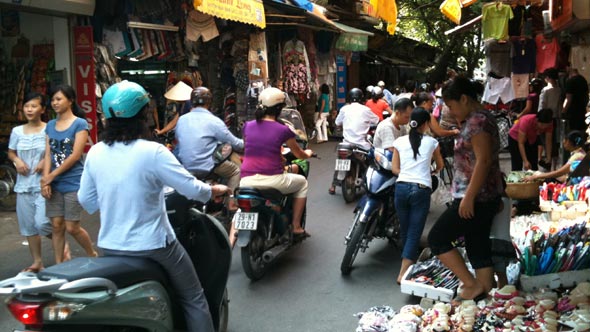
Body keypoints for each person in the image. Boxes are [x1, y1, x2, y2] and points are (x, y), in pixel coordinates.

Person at [78, 81, 229, 332]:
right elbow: (191, 188)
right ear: (143, 115)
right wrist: (212, 191)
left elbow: (87, 201)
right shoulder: (154, 152)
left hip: (111, 247)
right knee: (193, 296)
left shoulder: (95, 152)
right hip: (154, 246)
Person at [427, 76, 504, 302]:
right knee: (476, 243)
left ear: (464, 99)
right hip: (485, 195)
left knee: (438, 238)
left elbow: (484, 161)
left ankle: (471, 285)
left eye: (451, 106)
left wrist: (468, 198)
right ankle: (484, 293)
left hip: (476, 197)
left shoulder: (477, 122)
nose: (450, 112)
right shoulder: (481, 118)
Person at [239, 87, 314, 237]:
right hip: (272, 180)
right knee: (302, 183)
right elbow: (298, 153)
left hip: (245, 181)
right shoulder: (282, 129)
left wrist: (280, 158)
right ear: (279, 108)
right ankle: (296, 226)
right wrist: (308, 154)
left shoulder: (248, 126)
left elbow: (252, 148)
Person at [8, 92, 69, 272]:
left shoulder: (49, 129)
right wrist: (16, 161)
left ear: (42, 109)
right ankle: (37, 262)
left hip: (44, 184)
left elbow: (57, 151)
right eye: (27, 106)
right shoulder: (17, 131)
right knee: (29, 227)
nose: (29, 109)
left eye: (34, 106)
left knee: (42, 222)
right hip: (23, 185)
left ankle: (62, 245)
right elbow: (11, 152)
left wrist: (45, 161)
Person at [41, 85, 97, 264]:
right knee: (56, 226)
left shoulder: (80, 124)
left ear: (70, 100)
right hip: (53, 183)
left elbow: (75, 155)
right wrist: (46, 180)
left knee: (72, 227)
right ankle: (59, 264)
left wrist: (51, 175)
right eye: (53, 100)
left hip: (73, 181)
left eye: (59, 99)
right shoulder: (50, 125)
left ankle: (92, 255)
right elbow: (48, 153)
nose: (55, 103)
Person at [392, 107, 443, 284]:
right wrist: (432, 172)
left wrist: (407, 174)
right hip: (421, 189)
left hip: (401, 188)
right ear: (426, 124)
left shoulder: (399, 141)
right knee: (414, 232)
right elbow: (440, 165)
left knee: (406, 230)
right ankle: (402, 273)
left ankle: (407, 263)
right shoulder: (432, 142)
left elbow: (394, 169)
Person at [175, 87, 243, 208]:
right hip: (207, 167)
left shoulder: (181, 120)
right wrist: (252, 142)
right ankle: (231, 204)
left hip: (186, 167)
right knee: (235, 171)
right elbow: (235, 143)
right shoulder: (214, 121)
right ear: (209, 102)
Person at [328, 88, 379, 194]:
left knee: (340, 161)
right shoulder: (366, 110)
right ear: (362, 99)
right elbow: (376, 120)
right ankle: (371, 182)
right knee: (372, 159)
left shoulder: (344, 109)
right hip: (362, 145)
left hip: (346, 144)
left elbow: (337, 122)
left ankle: (333, 185)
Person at [538, 68, 562, 169]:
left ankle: (548, 163)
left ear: (547, 78)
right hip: (556, 118)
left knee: (546, 142)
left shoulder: (545, 90)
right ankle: (554, 166)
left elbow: (542, 105)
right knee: (555, 142)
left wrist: (539, 118)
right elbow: (560, 105)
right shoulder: (559, 89)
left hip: (545, 119)